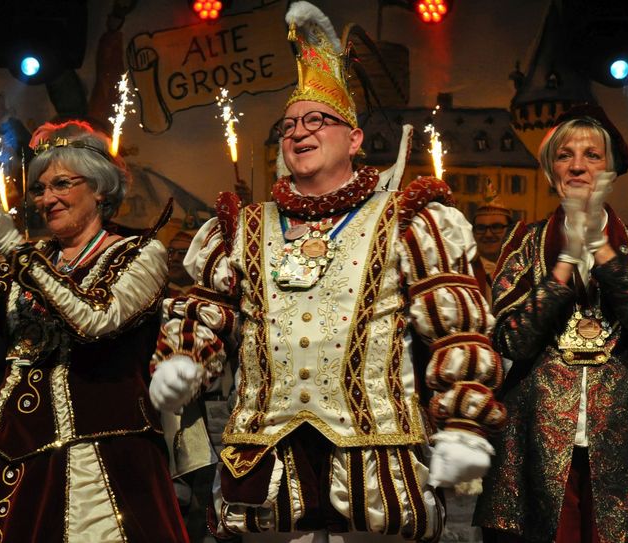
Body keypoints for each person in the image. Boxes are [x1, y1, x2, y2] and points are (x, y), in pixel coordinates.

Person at [151, 2, 505, 541]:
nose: (299, 131)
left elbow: (457, 327)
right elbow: (206, 310)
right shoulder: (241, 227)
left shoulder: (407, 220)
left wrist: (462, 422)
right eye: (289, 123)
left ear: (355, 138)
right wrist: (183, 359)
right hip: (266, 468)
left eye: (317, 120)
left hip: (375, 467)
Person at [0, 120, 188, 542]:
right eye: (39, 189)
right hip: (13, 453)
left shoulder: (139, 253)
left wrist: (17, 251)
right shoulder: (30, 258)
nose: (46, 198)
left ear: (100, 189)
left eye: (61, 184)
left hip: (101, 458)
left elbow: (96, 321)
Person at [473, 105, 628, 542]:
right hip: (535, 438)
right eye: (565, 156)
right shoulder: (526, 241)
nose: (579, 166)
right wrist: (563, 265)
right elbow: (511, 339)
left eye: (592, 155)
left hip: (625, 437)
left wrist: (602, 252)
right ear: (551, 172)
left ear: (611, 169)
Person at [471, 191, 513, 307]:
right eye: (481, 228)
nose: (488, 234)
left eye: (496, 227)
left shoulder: (523, 271)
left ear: (509, 231)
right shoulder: (464, 272)